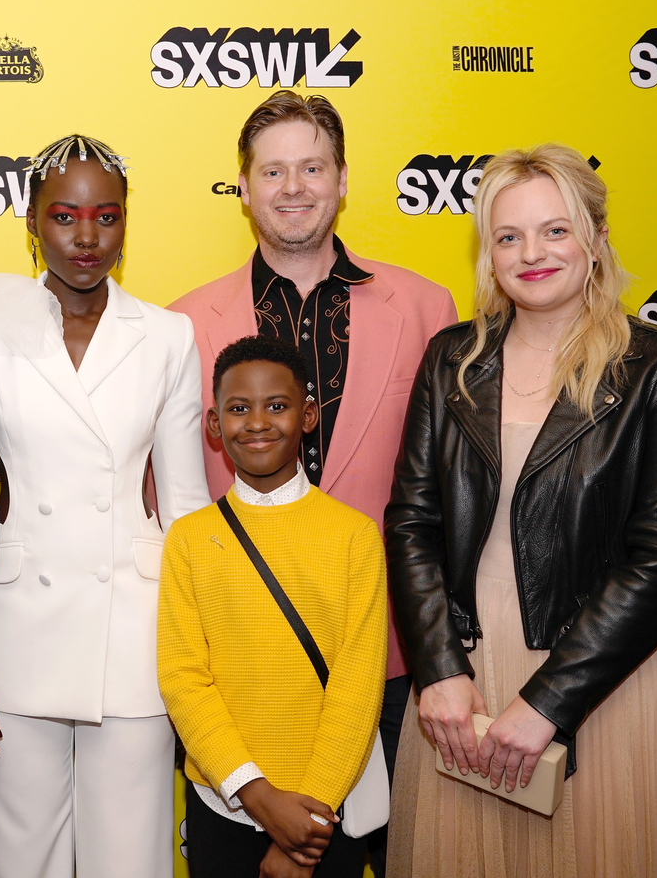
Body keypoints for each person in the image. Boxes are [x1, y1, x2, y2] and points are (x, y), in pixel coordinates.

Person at [385, 144, 657, 877]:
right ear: (488, 252)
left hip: (605, 681)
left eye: (555, 230)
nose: (531, 253)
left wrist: (548, 700)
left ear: (596, 240)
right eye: (509, 236)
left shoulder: (656, 364)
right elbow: (413, 521)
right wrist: (439, 668)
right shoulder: (451, 360)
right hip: (465, 682)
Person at [168, 90, 456, 875]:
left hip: (391, 657)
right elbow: (166, 495)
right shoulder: (182, 324)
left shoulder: (428, 308)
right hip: (239, 669)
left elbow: (452, 489)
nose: (293, 186)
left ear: (342, 178)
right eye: (273, 170)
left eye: (311, 167)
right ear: (245, 186)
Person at [0, 135, 211, 878]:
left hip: (135, 632)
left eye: (107, 216)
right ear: (30, 222)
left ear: (128, 221)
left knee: (131, 861)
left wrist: (197, 656)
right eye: (64, 215)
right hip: (11, 634)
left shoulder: (166, 335)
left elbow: (186, 506)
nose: (87, 237)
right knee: (17, 861)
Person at [159, 335, 386, 878]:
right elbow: (183, 678)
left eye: (277, 406)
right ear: (214, 425)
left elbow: (357, 687)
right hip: (224, 803)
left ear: (308, 415)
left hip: (325, 810)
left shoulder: (355, 535)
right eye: (238, 409)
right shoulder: (190, 539)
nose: (256, 422)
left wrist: (302, 827)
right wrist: (256, 795)